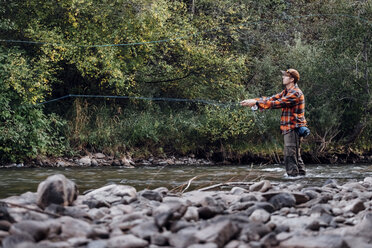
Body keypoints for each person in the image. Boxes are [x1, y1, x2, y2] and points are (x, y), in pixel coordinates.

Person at [240, 69, 307, 177]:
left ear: (292, 79)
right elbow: (272, 98)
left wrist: (257, 102)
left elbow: (277, 103)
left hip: (293, 128)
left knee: (290, 155)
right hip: (288, 128)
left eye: (285, 76)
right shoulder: (286, 92)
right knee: (295, 154)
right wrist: (253, 101)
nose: (283, 77)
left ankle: (293, 178)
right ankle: (300, 178)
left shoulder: (296, 93)